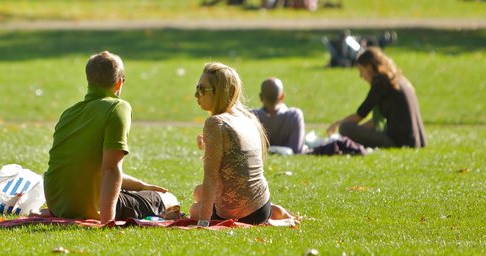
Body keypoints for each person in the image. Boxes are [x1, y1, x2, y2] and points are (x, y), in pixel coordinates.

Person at [43, 51, 178, 222]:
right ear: (119, 82)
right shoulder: (117, 108)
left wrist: (141, 186)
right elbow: (110, 169)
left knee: (136, 193)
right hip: (90, 208)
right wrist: (107, 221)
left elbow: (89, 168)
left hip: (58, 205)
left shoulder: (69, 113)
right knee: (170, 200)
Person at [189, 62, 271, 225]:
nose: (196, 95)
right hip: (262, 207)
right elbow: (236, 160)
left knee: (194, 209)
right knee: (198, 192)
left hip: (241, 214)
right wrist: (207, 146)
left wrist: (204, 222)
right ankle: (274, 210)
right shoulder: (247, 117)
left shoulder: (216, 122)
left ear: (220, 92)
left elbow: (211, 177)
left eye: (202, 89)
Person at [327, 47, 426, 149]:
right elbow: (375, 122)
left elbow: (360, 115)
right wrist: (359, 131)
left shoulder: (381, 83)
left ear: (369, 67)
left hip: (398, 141)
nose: (361, 76)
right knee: (349, 128)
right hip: (416, 141)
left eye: (361, 71)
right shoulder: (399, 79)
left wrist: (337, 125)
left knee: (345, 128)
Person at [252, 78, 305, 155]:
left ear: (261, 97)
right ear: (282, 96)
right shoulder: (294, 116)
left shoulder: (252, 117)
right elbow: (296, 149)